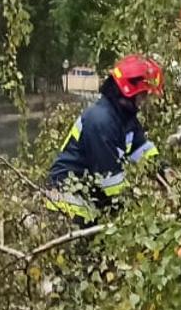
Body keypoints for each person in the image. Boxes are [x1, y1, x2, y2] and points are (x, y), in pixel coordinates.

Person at [45, 54, 165, 221]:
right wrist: (138, 214)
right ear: (130, 93)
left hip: (90, 196)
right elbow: (111, 183)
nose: (145, 101)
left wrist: (164, 171)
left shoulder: (125, 118)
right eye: (144, 95)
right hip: (67, 202)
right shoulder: (101, 121)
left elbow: (142, 151)